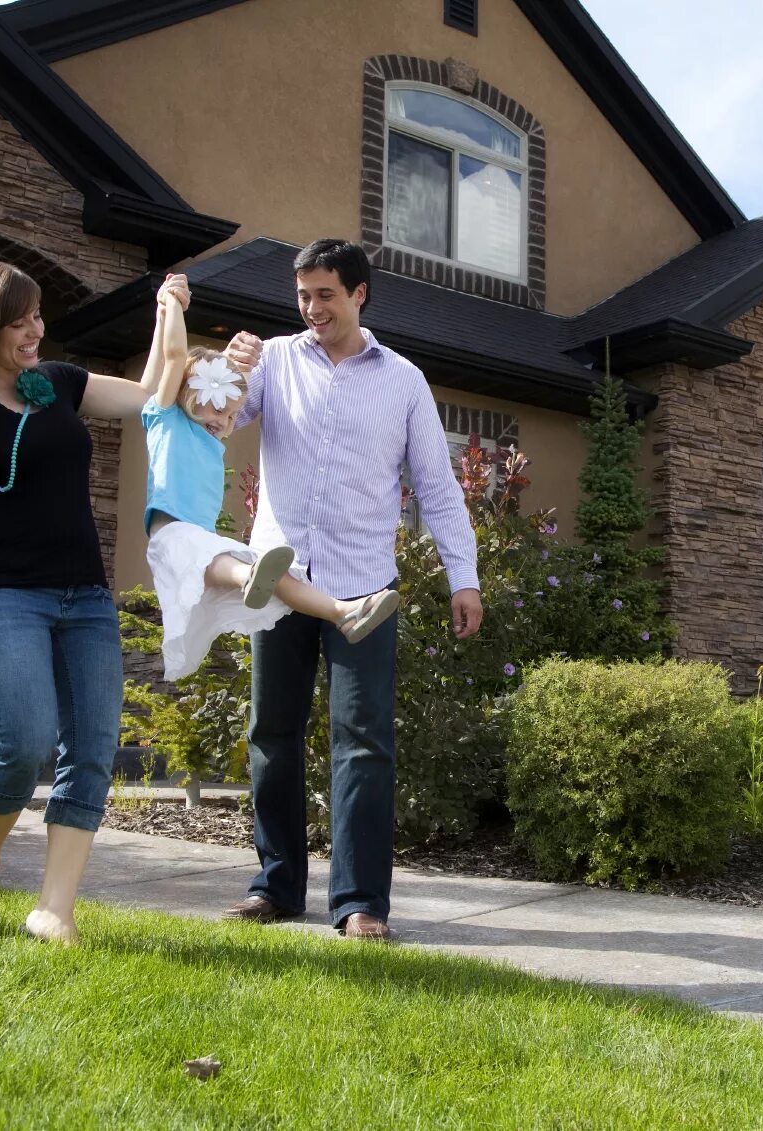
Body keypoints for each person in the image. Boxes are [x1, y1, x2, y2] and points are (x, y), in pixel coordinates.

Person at [0, 257, 258, 945]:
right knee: (24, 740)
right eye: (18, 320)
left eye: (36, 315)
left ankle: (54, 909)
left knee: (91, 746)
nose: (36, 328)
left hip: (84, 595)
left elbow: (153, 389)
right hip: (3, 595)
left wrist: (167, 307)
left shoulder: (59, 384)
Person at [223, 239, 480, 939]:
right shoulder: (274, 360)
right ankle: (275, 885)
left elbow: (436, 486)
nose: (312, 309)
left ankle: (360, 900)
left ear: (359, 294)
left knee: (363, 739)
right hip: (279, 583)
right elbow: (217, 414)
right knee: (271, 733)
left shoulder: (403, 381)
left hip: (364, 588)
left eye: (325, 295)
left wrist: (465, 576)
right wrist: (225, 369)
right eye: (302, 295)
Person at [139, 282, 399, 681]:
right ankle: (249, 579)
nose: (223, 422)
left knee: (281, 576)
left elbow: (227, 393)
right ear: (186, 396)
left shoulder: (212, 442)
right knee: (244, 566)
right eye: (216, 409)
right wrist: (170, 305)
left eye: (230, 416)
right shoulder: (164, 417)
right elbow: (174, 356)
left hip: (204, 544)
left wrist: (237, 374)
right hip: (171, 538)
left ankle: (343, 611)